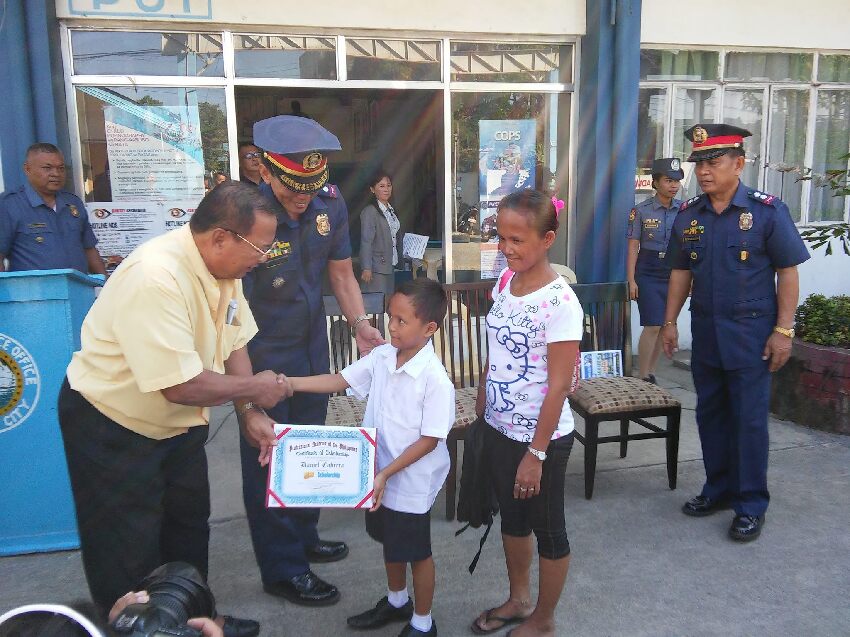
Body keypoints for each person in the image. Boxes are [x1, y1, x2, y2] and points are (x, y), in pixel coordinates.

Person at [58, 181, 288, 637]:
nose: (264, 257)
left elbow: (234, 340)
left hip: (178, 429)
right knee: (127, 549)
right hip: (113, 425)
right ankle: (135, 628)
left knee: (187, 532)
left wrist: (248, 412)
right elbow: (180, 386)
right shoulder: (156, 274)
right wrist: (256, 389)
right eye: (259, 247)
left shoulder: (226, 272)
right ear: (221, 237)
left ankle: (196, 622)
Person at [242, 114, 384, 607]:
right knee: (268, 455)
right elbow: (228, 311)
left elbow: (341, 274)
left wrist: (361, 324)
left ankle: (303, 536)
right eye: (293, 187)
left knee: (305, 445)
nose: (303, 197)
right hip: (261, 352)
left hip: (312, 345)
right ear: (265, 170)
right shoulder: (245, 216)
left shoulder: (329, 202)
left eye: (311, 185)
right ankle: (282, 568)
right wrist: (244, 395)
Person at [662, 123, 810, 542]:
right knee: (711, 416)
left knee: (747, 421)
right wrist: (671, 322)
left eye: (714, 161)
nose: (704, 170)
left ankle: (750, 504)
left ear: (739, 163)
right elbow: (679, 271)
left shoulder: (766, 211)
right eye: (699, 163)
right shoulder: (690, 216)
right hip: (707, 333)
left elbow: (787, 271)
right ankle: (719, 489)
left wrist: (784, 330)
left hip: (751, 335)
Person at [288, 278, 454, 637]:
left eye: (401, 321)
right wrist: (290, 383)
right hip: (377, 473)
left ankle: (424, 623)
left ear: (429, 328)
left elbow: (429, 441)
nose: (391, 327)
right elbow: (338, 381)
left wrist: (386, 474)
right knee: (390, 541)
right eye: (390, 317)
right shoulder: (381, 356)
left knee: (416, 550)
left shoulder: (435, 380)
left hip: (409, 481)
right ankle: (397, 602)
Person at [471, 190, 582, 637]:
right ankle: (518, 600)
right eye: (502, 237)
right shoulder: (504, 283)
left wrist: (535, 454)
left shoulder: (561, 304)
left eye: (518, 240)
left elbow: (559, 385)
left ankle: (543, 618)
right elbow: (495, 350)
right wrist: (483, 396)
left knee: (548, 528)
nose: (507, 248)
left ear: (548, 238)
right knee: (513, 520)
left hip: (542, 440)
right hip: (500, 427)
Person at [0, 143, 106, 274]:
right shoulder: (9, 205)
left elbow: (89, 250)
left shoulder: (73, 203)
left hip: (78, 291)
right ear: (27, 169)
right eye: (47, 168)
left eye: (61, 168)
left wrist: (107, 287)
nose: (56, 174)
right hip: (33, 292)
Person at [626, 157, 684, 383]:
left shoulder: (685, 210)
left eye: (677, 181)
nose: (674, 186)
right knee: (651, 324)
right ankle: (642, 375)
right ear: (656, 182)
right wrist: (631, 280)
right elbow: (633, 246)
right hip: (648, 270)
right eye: (669, 180)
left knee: (665, 324)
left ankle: (651, 372)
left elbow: (689, 246)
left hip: (674, 270)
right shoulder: (641, 211)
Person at [359, 170, 404, 301]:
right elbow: (366, 241)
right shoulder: (370, 212)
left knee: (387, 305)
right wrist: (366, 267)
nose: (386, 189)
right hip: (376, 267)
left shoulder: (391, 210)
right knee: (376, 305)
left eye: (389, 185)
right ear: (372, 189)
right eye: (381, 186)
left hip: (390, 264)